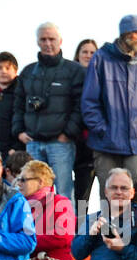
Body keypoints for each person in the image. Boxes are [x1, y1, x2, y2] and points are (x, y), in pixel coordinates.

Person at [81, 14, 137, 196]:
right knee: (109, 197)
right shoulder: (101, 59)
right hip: (106, 145)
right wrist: (103, 130)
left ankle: (134, 227)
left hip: (136, 145)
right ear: (126, 33)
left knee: (135, 197)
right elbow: (89, 101)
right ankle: (106, 227)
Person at [13, 23, 85, 200]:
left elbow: (80, 105)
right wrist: (19, 132)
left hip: (60, 144)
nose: (47, 43)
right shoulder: (28, 71)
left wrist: (68, 133)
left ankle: (64, 228)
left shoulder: (74, 70)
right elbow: (18, 104)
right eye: (43, 39)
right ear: (37, 42)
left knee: (63, 192)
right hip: (33, 142)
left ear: (60, 41)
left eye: (51, 39)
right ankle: (35, 228)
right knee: (31, 193)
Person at [70, 39, 99, 203]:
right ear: (77, 55)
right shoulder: (70, 77)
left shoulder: (103, 79)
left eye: (92, 52)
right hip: (75, 141)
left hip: (97, 142)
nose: (88, 55)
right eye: (84, 52)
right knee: (80, 195)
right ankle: (77, 226)